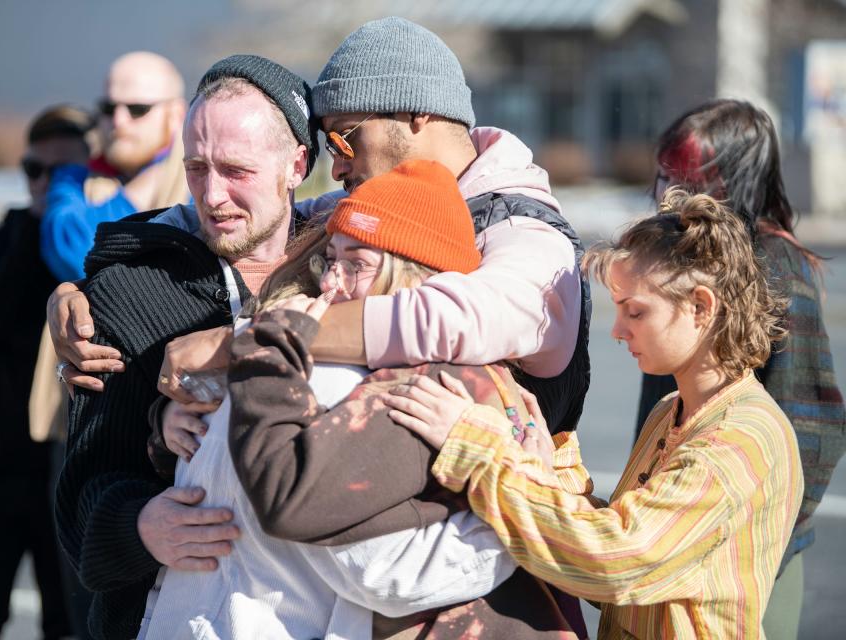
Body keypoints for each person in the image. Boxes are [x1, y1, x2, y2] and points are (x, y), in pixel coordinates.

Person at [50, 17, 590, 440]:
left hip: (477, 564)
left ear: (416, 115)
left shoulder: (527, 230)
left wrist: (241, 344)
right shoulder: (372, 201)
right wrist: (91, 287)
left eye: (346, 137)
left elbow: (469, 316)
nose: (338, 166)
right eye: (330, 146)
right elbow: (247, 213)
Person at [142, 159, 584, 639]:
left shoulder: (428, 387)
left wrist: (510, 530)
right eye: (329, 259)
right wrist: (169, 422)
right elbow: (207, 467)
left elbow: (369, 565)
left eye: (357, 264)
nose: (331, 282)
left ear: (416, 278)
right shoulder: (323, 354)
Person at [388, 190, 804, 639]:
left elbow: (616, 562)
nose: (617, 330)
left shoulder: (738, 439)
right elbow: (619, 562)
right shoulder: (674, 410)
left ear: (701, 307)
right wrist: (548, 469)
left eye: (636, 312)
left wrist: (474, 449)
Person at [53, 55, 319, 640]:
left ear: (296, 163)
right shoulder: (128, 291)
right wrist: (140, 525)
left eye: (236, 170)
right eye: (196, 168)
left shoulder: (347, 271)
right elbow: (81, 499)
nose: (213, 195)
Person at [635, 99, 846, 638]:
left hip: (747, 558)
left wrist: (757, 534)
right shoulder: (683, 257)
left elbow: (812, 426)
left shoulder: (774, 266)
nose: (664, 194)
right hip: (671, 534)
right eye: (662, 175)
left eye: (684, 179)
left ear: (731, 183)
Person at [0, 105, 90, 640]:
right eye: (35, 170)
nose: (47, 183)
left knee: (66, 624)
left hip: (65, 475)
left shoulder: (90, 245)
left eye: (65, 173)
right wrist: (29, 233)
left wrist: (65, 221)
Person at [39, 51, 188, 282]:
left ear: (176, 114)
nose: (118, 121)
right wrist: (145, 188)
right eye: (108, 108)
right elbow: (73, 253)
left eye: (137, 109)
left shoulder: (204, 183)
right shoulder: (73, 179)